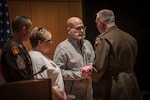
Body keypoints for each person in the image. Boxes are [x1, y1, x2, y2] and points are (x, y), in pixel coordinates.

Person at [92, 9, 142, 100]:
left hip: (115, 84)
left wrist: (91, 74)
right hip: (131, 81)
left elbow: (99, 67)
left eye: (96, 23)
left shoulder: (104, 39)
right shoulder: (130, 38)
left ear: (101, 21)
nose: (97, 26)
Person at [53, 17, 95, 100]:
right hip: (73, 95)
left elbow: (94, 62)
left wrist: (92, 66)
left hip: (89, 93)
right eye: (78, 28)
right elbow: (58, 72)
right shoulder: (62, 48)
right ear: (69, 30)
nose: (82, 31)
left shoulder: (88, 44)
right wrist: (80, 74)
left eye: (83, 28)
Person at [29, 27, 66, 100]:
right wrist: (60, 98)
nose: (51, 43)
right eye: (48, 41)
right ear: (40, 43)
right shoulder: (36, 58)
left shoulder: (41, 55)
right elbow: (42, 85)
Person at [0, 16, 33, 82]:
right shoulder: (13, 48)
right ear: (24, 29)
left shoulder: (18, 45)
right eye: (30, 29)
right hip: (18, 90)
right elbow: (21, 76)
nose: (31, 33)